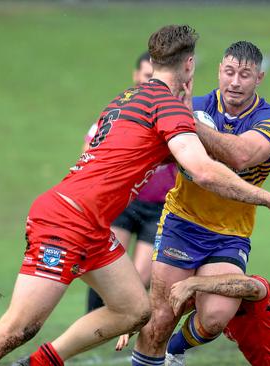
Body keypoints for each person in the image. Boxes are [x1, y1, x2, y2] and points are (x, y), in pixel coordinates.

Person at [0, 25, 270, 366]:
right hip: (68, 218)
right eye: (228, 72)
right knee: (18, 328)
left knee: (135, 310)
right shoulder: (169, 107)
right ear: (190, 65)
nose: (235, 82)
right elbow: (205, 170)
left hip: (91, 224)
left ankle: (41, 362)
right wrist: (269, 198)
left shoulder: (127, 97)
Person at [131, 41, 270, 366]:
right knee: (161, 315)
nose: (234, 82)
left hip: (230, 233)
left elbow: (241, 154)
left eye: (244, 75)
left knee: (216, 316)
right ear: (219, 70)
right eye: (229, 72)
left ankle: (175, 347)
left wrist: (188, 122)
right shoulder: (198, 104)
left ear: (258, 78)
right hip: (181, 222)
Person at [84, 51, 173, 312]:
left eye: (155, 78)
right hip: (122, 202)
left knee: (140, 279)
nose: (150, 84)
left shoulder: (171, 114)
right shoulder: (121, 111)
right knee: (105, 269)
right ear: (136, 75)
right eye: (146, 77)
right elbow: (90, 157)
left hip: (158, 209)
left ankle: (119, 324)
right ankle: (92, 321)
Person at [118, 274, 270, 365]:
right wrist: (137, 324)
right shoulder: (215, 304)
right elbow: (173, 308)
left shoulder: (248, 294)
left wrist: (195, 282)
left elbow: (255, 286)